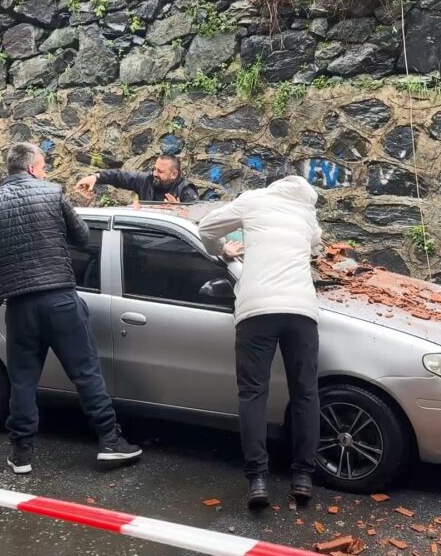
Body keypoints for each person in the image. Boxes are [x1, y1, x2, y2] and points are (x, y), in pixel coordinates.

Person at [0, 143, 142, 474]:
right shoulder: (53, 194)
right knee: (86, 373)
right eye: (43, 166)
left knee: (23, 381)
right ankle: (110, 441)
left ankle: (21, 453)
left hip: (20, 306)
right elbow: (82, 237)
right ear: (31, 168)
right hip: (60, 300)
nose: (45, 171)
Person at [197, 176, 323, 509]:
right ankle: (303, 476)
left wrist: (222, 249)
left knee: (253, 393)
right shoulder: (306, 213)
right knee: (305, 392)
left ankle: (257, 479)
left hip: (256, 310)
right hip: (301, 310)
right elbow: (316, 243)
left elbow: (206, 227)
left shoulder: (253, 200)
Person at [75, 154, 198, 203]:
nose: (155, 173)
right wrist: (96, 177)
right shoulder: (146, 180)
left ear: (174, 174)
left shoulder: (186, 191)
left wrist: (178, 210)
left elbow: (195, 223)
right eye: (155, 169)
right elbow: (119, 177)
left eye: (160, 171)